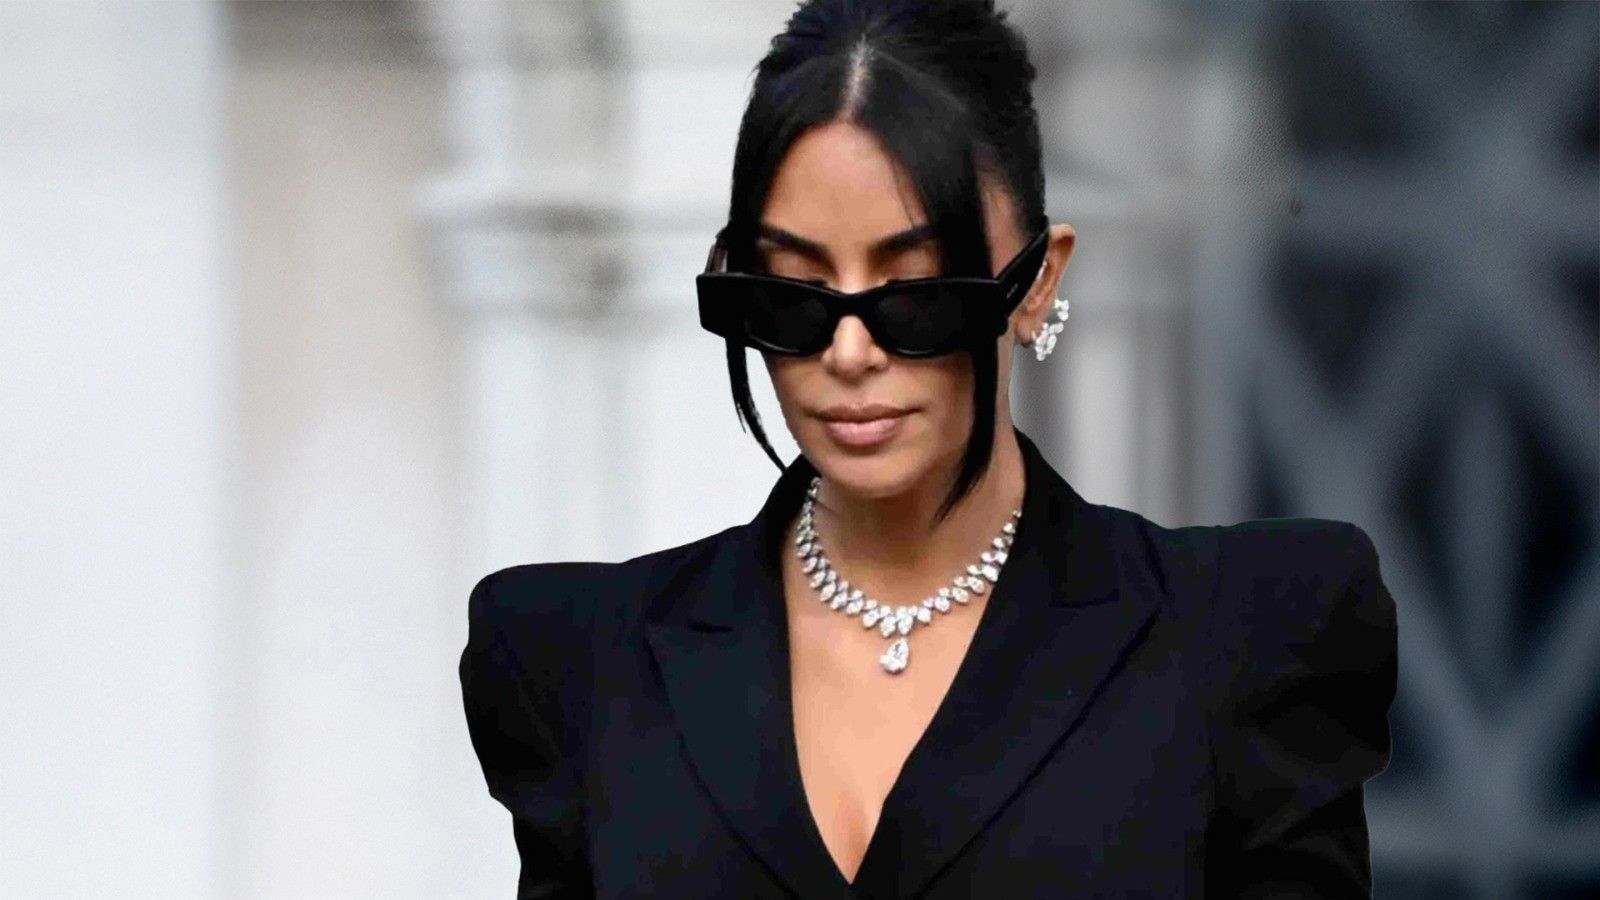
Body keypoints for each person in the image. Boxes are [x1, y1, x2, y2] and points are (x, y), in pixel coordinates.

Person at [458, 1, 1398, 897]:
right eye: (791, 295)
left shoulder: (1244, 638)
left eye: (915, 294)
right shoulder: (583, 663)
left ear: (1037, 282)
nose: (849, 352)